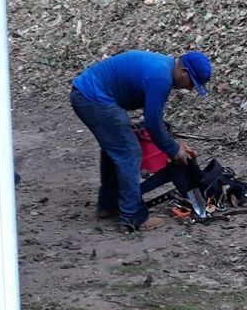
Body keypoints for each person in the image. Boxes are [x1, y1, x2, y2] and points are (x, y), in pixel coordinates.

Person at [70, 50, 212, 231]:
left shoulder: (162, 68)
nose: (191, 88)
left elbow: (154, 120)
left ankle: (108, 205)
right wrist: (173, 149)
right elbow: (153, 124)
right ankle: (132, 217)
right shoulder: (160, 78)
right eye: (192, 82)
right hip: (93, 98)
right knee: (129, 152)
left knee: (115, 148)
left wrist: (170, 144)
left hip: (88, 94)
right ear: (183, 71)